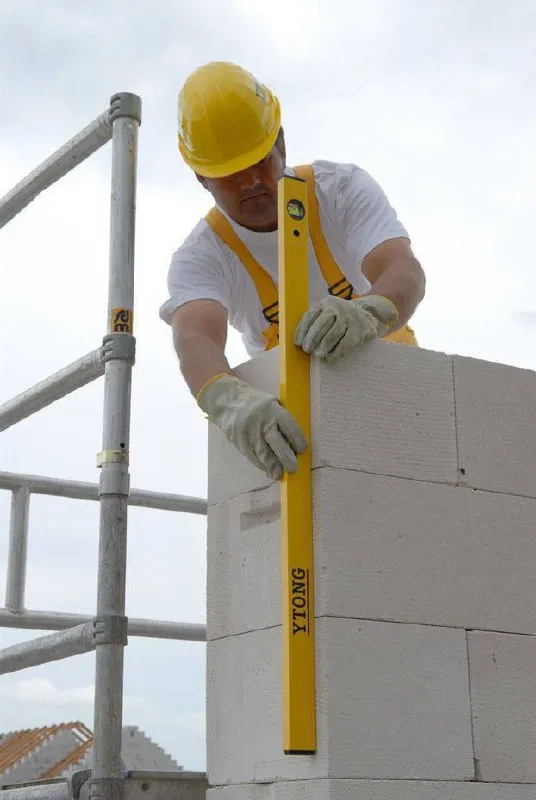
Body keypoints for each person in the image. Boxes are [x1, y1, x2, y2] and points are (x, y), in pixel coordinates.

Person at [160, 62, 426, 482]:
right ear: (201, 178)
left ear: (282, 142)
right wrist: (229, 401)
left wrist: (369, 313)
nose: (250, 183)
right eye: (230, 175)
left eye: (260, 162)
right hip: (297, 420)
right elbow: (195, 336)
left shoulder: (339, 191)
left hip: (392, 389)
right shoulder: (202, 256)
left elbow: (402, 268)